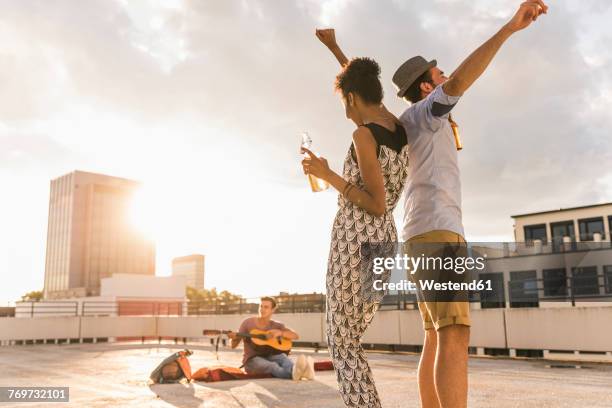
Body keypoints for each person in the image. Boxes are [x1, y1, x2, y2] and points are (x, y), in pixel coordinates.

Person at [317, 1, 548, 407]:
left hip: (417, 234)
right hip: (439, 233)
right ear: (427, 87)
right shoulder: (427, 113)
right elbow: (462, 78)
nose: (443, 78)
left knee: (436, 334)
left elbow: (364, 89)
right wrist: (510, 28)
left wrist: (337, 52)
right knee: (455, 333)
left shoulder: (402, 120)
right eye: (437, 76)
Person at [302, 52, 409, 406]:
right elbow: (363, 84)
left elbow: (374, 203)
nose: (345, 111)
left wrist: (326, 173)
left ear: (350, 97)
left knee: (341, 339)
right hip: (385, 240)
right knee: (350, 338)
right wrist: (335, 51)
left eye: (344, 102)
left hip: (357, 238)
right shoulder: (397, 127)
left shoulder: (363, 135)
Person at [228, 296, 314, 380]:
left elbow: (295, 336)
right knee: (272, 366)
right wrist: (234, 338)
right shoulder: (248, 322)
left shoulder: (277, 325)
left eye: (266, 307)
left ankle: (302, 372)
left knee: (283, 357)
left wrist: (281, 333)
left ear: (272, 310)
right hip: (252, 360)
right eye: (261, 306)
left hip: (271, 356)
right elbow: (233, 346)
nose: (262, 309)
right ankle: (300, 373)